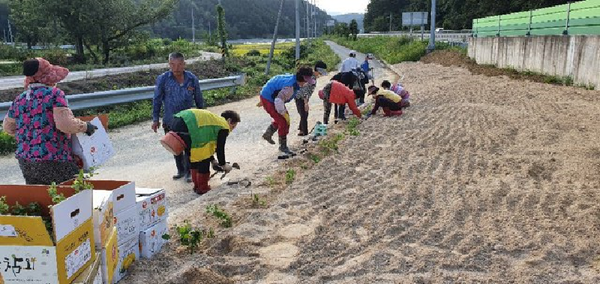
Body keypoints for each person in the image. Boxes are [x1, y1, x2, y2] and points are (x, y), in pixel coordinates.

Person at [2, 58, 97, 185]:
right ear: (48, 76)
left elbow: (8, 127)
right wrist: (85, 126)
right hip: (54, 158)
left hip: (26, 160)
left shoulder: (20, 99)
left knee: (41, 198)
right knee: (72, 192)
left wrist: (31, 134)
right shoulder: (54, 94)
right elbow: (65, 124)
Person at [152, 52, 204, 183]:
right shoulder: (163, 79)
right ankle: (180, 170)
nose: (176, 68)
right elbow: (157, 99)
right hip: (171, 119)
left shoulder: (192, 78)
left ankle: (189, 172)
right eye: (173, 64)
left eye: (179, 64)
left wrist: (202, 115)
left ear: (184, 64)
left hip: (188, 120)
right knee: (174, 146)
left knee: (188, 147)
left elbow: (198, 98)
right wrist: (155, 118)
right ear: (169, 64)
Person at [166, 109, 240, 195]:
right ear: (229, 121)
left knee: (193, 155)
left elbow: (208, 145)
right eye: (233, 126)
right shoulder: (223, 126)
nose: (231, 130)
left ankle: (197, 186)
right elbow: (220, 148)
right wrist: (224, 164)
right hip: (188, 124)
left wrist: (213, 161)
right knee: (203, 159)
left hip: (178, 120)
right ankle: (203, 188)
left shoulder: (214, 122)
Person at [260, 66, 315, 156]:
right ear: (302, 79)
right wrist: (283, 113)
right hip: (269, 98)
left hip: (270, 96)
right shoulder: (290, 87)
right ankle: (283, 147)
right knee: (284, 121)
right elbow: (278, 100)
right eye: (306, 81)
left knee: (282, 119)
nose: (306, 84)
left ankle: (268, 133)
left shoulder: (294, 81)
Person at [294, 61, 328, 136]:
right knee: (304, 114)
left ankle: (301, 130)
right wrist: (306, 102)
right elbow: (304, 90)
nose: (320, 75)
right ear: (317, 70)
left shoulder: (313, 77)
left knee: (305, 114)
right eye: (320, 73)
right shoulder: (310, 76)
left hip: (303, 97)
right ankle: (305, 134)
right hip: (300, 97)